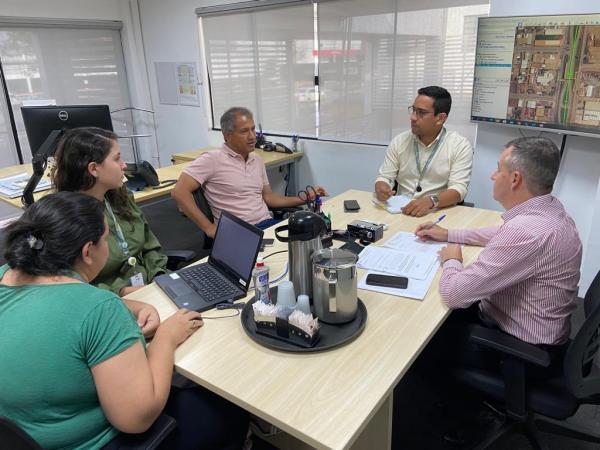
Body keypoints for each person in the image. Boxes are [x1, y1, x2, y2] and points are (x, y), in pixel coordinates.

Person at [0, 192, 248, 450]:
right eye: (106, 238)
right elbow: (137, 419)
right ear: (88, 251)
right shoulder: (98, 309)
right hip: (96, 443)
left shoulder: (5, 276)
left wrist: (129, 305)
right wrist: (166, 337)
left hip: (24, 435)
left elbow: (60, 307)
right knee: (227, 410)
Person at [416, 136, 582, 348]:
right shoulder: (551, 210)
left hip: (518, 348)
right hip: (544, 332)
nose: (493, 176)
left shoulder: (524, 232)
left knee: (426, 327)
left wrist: (452, 260)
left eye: (498, 170)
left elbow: (454, 294)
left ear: (515, 179)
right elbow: (499, 233)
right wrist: (449, 234)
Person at [172, 107, 327, 238]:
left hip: (267, 225)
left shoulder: (256, 160)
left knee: (315, 237)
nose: (252, 136)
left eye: (253, 129)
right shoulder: (212, 159)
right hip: (238, 232)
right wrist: (208, 228)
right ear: (227, 135)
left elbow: (270, 198)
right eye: (244, 131)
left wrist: (305, 198)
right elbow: (179, 192)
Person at [52, 127, 168, 298]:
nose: (124, 165)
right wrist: (119, 291)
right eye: (117, 158)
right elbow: (67, 283)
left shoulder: (121, 196)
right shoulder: (66, 219)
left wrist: (159, 276)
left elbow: (150, 246)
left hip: (151, 285)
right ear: (94, 169)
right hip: (106, 300)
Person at [375, 86, 473, 217]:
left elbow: (459, 190)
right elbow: (385, 176)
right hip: (400, 211)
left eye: (421, 112)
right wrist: (381, 186)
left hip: (435, 213)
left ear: (441, 118)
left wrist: (431, 201)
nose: (413, 117)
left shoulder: (459, 146)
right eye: (413, 110)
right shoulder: (400, 141)